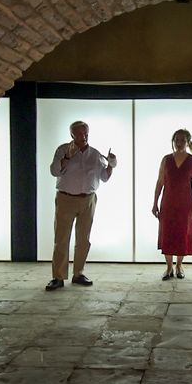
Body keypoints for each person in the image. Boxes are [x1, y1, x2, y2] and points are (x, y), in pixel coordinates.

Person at [47, 120, 115, 290]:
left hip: (88, 199)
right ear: (71, 135)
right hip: (66, 198)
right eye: (78, 133)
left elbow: (104, 177)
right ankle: (58, 276)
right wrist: (67, 157)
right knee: (61, 238)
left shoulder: (95, 154)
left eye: (85, 133)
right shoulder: (63, 150)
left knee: (83, 239)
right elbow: (54, 171)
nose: (82, 136)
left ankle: (78, 273)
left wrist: (112, 166)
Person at [152, 129, 192, 279]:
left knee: (182, 233)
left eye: (182, 141)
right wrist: (155, 202)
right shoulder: (166, 160)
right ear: (173, 142)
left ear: (187, 142)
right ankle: (168, 267)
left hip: (186, 202)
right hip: (168, 201)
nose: (179, 143)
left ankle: (179, 266)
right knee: (167, 232)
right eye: (176, 140)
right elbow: (160, 182)